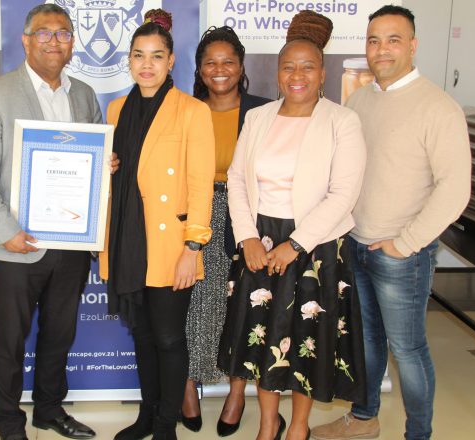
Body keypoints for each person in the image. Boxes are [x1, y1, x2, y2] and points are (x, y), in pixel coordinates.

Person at [311, 6, 471, 440]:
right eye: (374, 40)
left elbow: (455, 190)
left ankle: (418, 434)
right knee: (366, 343)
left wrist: (407, 243)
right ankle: (365, 419)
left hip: (402, 255)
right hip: (358, 244)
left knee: (408, 349)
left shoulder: (439, 108)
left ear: (413, 46)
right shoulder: (361, 99)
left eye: (393, 40)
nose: (381, 50)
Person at [226, 10, 368, 440]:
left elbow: (343, 193)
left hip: (316, 246)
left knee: (307, 335)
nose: (297, 74)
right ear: (277, 72)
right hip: (259, 237)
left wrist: (296, 244)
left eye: (308, 66)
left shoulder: (342, 121)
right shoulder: (258, 117)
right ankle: (269, 423)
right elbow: (236, 178)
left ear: (323, 72)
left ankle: (299, 427)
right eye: (288, 66)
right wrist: (247, 235)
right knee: (261, 337)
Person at [0, 4, 101, 440]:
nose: (54, 41)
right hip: (18, 242)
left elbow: (95, 159)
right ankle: (9, 421)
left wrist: (106, 163)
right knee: (9, 341)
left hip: (71, 243)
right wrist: (6, 233)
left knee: (60, 334)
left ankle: (48, 409)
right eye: (44, 33)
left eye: (63, 33)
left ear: (72, 42)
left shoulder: (82, 95)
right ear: (26, 40)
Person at [100, 9, 215, 440]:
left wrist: (194, 248)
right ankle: (147, 416)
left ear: (170, 62)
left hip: (171, 247)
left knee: (168, 338)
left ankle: (166, 423)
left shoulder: (191, 111)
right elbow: (120, 174)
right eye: (138, 55)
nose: (146, 64)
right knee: (144, 338)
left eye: (156, 56)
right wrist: (108, 166)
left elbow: (201, 185)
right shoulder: (114, 109)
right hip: (129, 243)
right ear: (129, 61)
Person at [181, 26, 272, 436]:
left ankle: (237, 394)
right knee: (191, 307)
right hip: (194, 218)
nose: (219, 70)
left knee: (241, 307)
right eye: (210, 62)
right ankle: (187, 385)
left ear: (241, 66)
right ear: (199, 70)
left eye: (228, 61)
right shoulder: (184, 109)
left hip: (248, 221)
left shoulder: (264, 112)